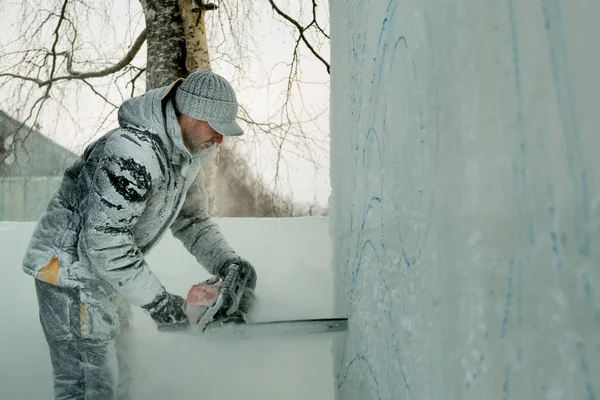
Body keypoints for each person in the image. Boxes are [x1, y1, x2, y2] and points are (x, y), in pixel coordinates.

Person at [22, 69, 258, 399]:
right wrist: (158, 302)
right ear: (189, 114)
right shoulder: (131, 154)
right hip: (69, 273)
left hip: (107, 275)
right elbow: (104, 238)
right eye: (215, 127)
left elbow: (191, 221)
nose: (220, 139)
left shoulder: (185, 157)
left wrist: (226, 262)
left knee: (124, 375)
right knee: (91, 388)